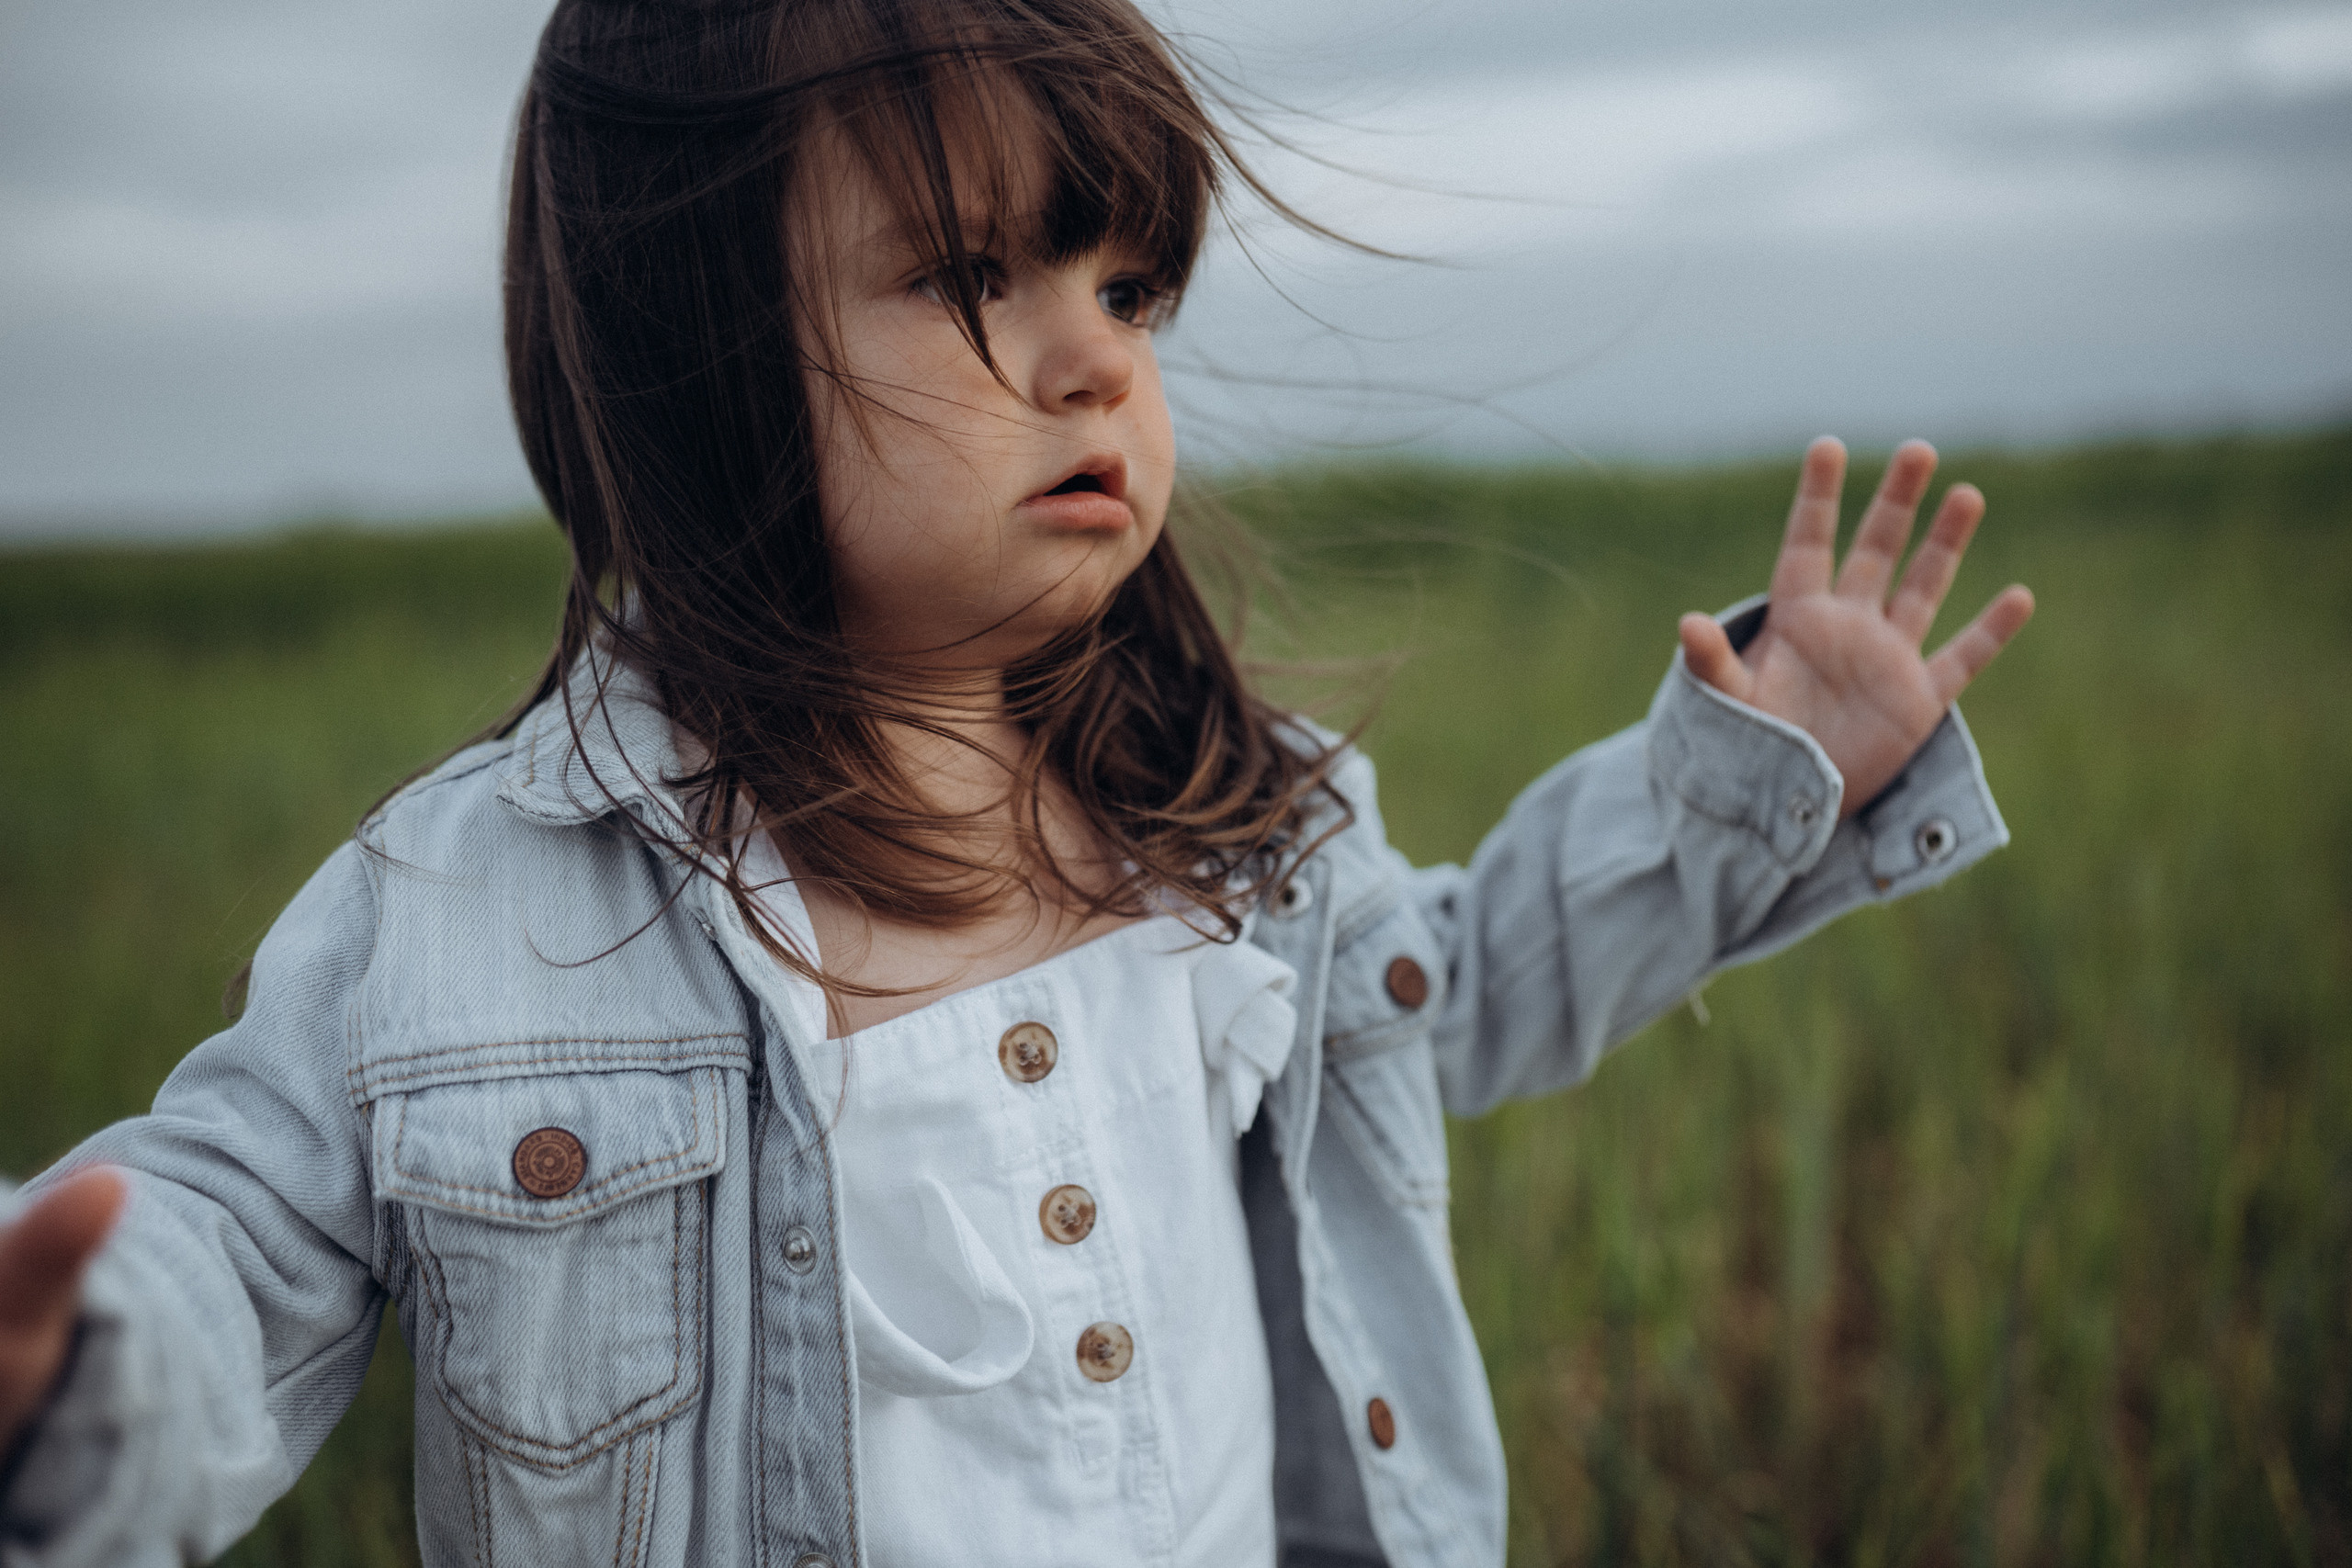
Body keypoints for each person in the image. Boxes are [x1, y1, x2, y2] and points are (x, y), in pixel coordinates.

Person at [0, 0, 2035, 1563]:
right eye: (979, 275)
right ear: (694, 348)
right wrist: (65, 1358)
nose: (1098, 364)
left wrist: (1763, 773)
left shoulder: (1227, 827)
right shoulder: (462, 915)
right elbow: (224, 1242)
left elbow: (1464, 986)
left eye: (1129, 290)